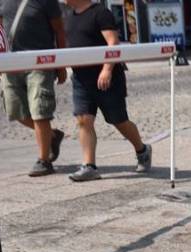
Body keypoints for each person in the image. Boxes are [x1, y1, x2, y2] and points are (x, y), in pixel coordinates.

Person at [63, 0, 151, 181]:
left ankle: (142, 149)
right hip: (81, 78)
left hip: (106, 78)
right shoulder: (69, 17)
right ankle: (89, 166)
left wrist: (107, 70)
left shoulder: (100, 13)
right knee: (83, 120)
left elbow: (113, 43)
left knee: (119, 121)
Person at [0, 0, 67, 177]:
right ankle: (52, 135)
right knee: (15, 111)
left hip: (40, 64)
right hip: (11, 64)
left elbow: (59, 30)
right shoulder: (1, 1)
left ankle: (44, 161)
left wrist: (62, 64)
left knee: (39, 111)